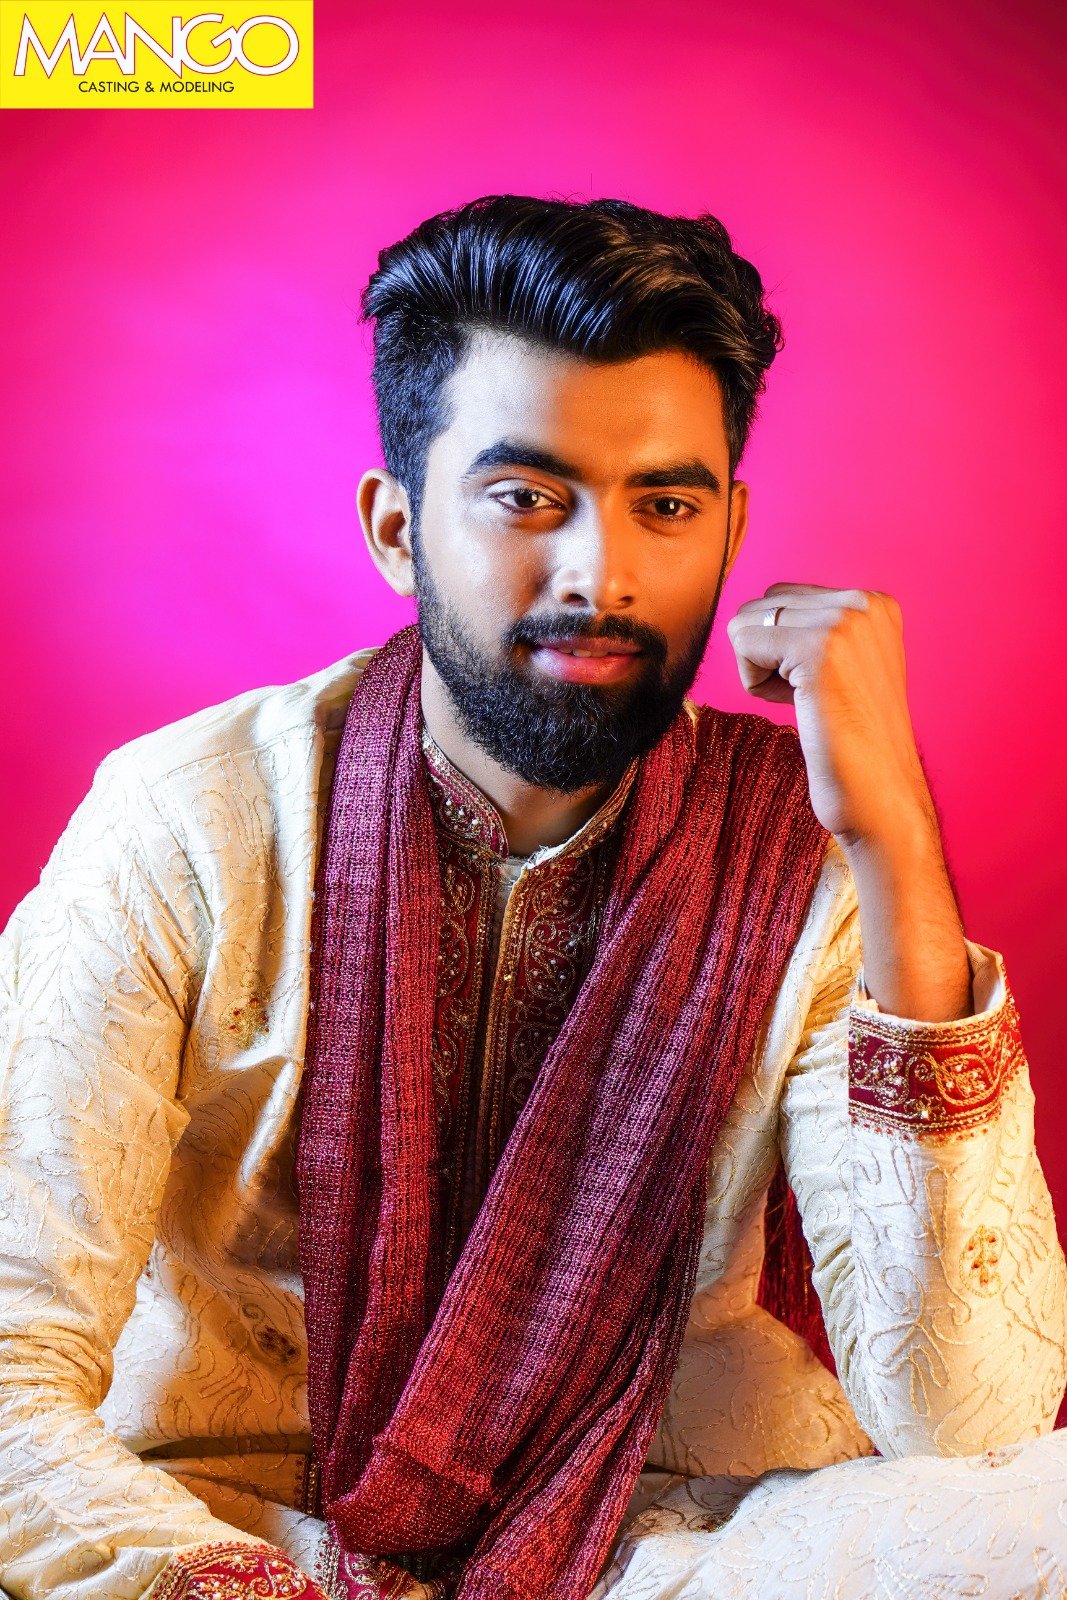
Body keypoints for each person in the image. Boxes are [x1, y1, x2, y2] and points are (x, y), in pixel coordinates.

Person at [0, 195, 1062, 1600]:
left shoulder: (800, 851)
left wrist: (892, 843)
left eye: (666, 507)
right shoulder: (191, 821)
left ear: (730, 528)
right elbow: (8, 1365)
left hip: (661, 1533)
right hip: (239, 1520)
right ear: (397, 527)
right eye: (526, 498)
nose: (601, 576)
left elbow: (975, 1421)